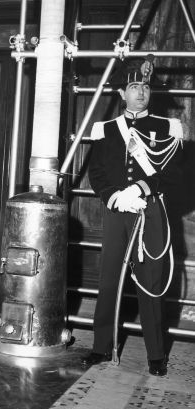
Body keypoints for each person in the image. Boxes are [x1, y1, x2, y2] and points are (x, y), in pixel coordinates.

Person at [82, 57, 183, 376]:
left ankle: (156, 354)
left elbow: (174, 174)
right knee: (110, 277)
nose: (141, 92)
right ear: (122, 93)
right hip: (117, 211)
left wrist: (139, 189)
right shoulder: (107, 130)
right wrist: (114, 196)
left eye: (145, 87)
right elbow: (96, 172)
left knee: (151, 281)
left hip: (150, 210)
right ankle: (100, 346)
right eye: (134, 87)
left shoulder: (167, 129)